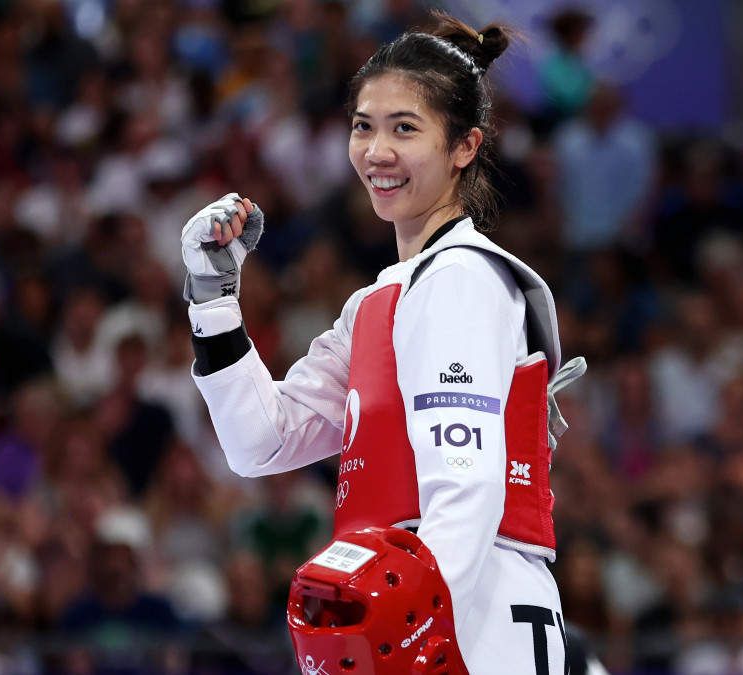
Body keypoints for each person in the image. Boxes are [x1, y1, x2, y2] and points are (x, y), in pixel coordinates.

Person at [181, 12, 584, 675]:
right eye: (364, 126)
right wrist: (213, 300)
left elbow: (468, 487)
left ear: (464, 146)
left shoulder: (460, 275)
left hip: (461, 624)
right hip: (410, 619)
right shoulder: (378, 302)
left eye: (405, 128)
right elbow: (262, 440)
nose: (376, 151)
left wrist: (419, 639)